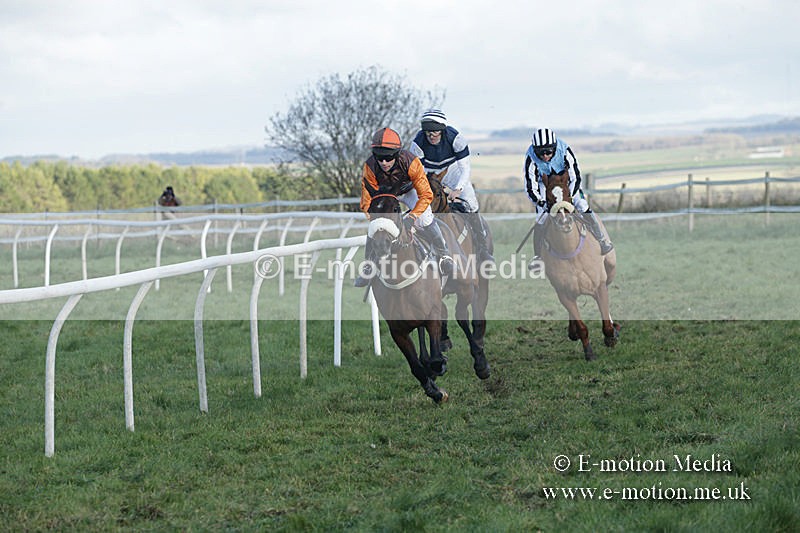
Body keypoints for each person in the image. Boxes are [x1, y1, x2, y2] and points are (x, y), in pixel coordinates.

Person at [354, 127, 454, 287]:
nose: (384, 162)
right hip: (385, 194)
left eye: (388, 157)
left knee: (425, 218)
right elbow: (366, 200)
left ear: (397, 154)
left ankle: (444, 255)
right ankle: (369, 264)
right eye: (379, 157)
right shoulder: (370, 167)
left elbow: (426, 195)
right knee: (376, 225)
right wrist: (376, 219)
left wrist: (412, 217)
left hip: (409, 191)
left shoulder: (411, 162)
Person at [410, 109, 494, 263]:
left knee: (471, 203)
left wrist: (458, 189)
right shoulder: (417, 143)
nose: (431, 136)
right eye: (428, 132)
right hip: (428, 173)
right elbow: (417, 172)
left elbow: (465, 168)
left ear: (442, 130)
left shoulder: (456, 139)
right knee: (419, 204)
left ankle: (482, 248)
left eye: (435, 132)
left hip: (452, 171)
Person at [524, 128, 613, 264]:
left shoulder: (565, 150)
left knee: (582, 205)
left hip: (566, 182)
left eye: (548, 152)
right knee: (541, 217)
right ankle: (538, 256)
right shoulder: (530, 158)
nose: (545, 156)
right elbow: (531, 187)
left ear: (554, 148)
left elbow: (576, 177)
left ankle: (601, 240)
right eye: (540, 153)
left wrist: (568, 198)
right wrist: (541, 202)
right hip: (544, 183)